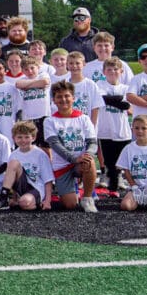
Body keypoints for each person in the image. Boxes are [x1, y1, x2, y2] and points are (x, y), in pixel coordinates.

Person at [46, 81, 98, 213]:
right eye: (59, 97)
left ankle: (87, 198)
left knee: (89, 161)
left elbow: (92, 142)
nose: (63, 99)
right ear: (54, 100)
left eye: (67, 96)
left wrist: (87, 155)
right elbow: (55, 145)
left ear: (73, 98)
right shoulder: (50, 121)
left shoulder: (84, 118)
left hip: (80, 162)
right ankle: (72, 187)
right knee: (70, 205)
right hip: (62, 165)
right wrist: (74, 158)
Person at [0, 121, 54, 211]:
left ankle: (34, 201)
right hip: (22, 186)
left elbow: (48, 180)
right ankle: (4, 198)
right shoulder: (13, 155)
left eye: (27, 137)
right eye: (19, 137)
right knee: (13, 163)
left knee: (25, 203)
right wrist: (14, 197)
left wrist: (47, 201)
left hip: (36, 187)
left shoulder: (40, 154)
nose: (23, 140)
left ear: (33, 137)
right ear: (14, 138)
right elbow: (12, 177)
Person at [96, 57, 132, 193]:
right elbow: (102, 99)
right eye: (109, 69)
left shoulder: (126, 88)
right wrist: (118, 100)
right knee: (109, 161)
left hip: (122, 130)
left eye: (116, 69)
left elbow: (127, 106)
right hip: (106, 130)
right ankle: (113, 187)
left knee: (122, 159)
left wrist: (109, 100)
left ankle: (120, 179)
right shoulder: (100, 85)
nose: (112, 72)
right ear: (104, 72)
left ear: (121, 71)